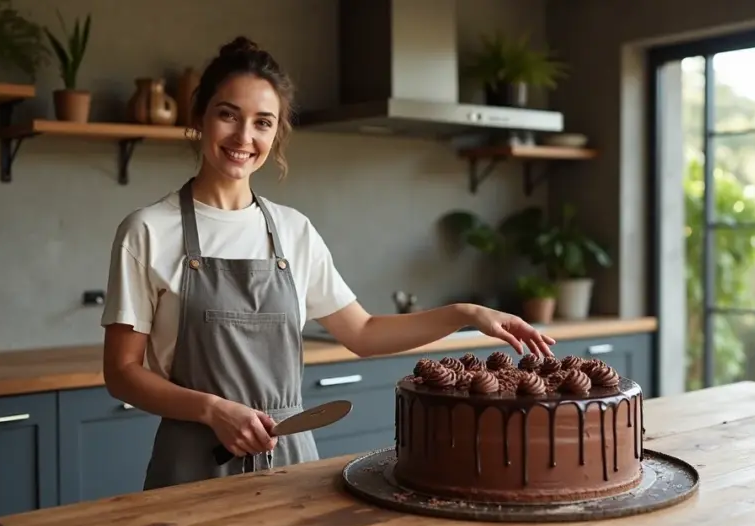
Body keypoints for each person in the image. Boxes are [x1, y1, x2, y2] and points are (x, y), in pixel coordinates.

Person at [100, 35, 558, 490]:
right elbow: (122, 373)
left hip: (288, 463)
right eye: (228, 115)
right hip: (192, 466)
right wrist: (212, 409)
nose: (244, 137)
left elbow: (362, 332)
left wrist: (466, 314)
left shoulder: (294, 231)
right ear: (201, 116)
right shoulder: (147, 231)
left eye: (263, 122)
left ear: (277, 133)